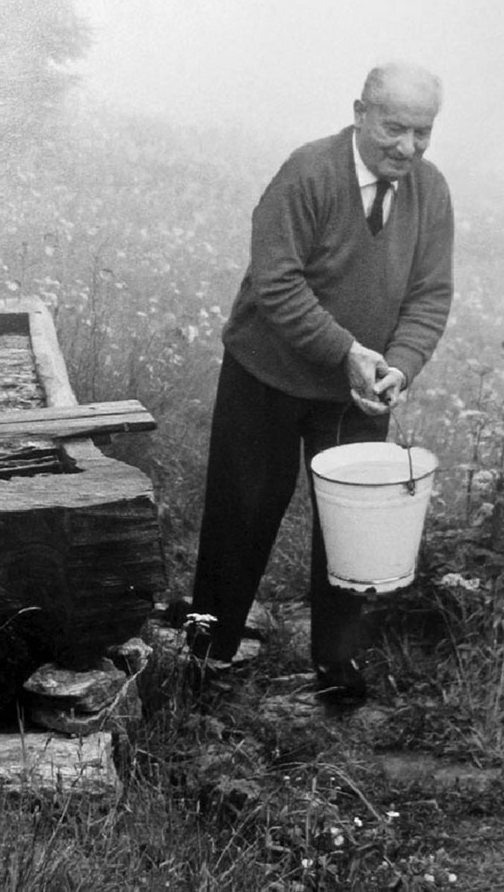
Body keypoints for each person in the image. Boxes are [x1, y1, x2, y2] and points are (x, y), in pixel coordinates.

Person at [190, 63, 454, 704]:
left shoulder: (430, 191)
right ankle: (206, 659)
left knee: (354, 528)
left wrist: (399, 365)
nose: (409, 147)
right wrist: (346, 351)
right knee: (244, 511)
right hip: (267, 375)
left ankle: (338, 671)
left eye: (423, 133)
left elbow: (429, 295)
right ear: (361, 112)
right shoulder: (307, 172)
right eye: (395, 127)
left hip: (359, 392)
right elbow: (276, 282)